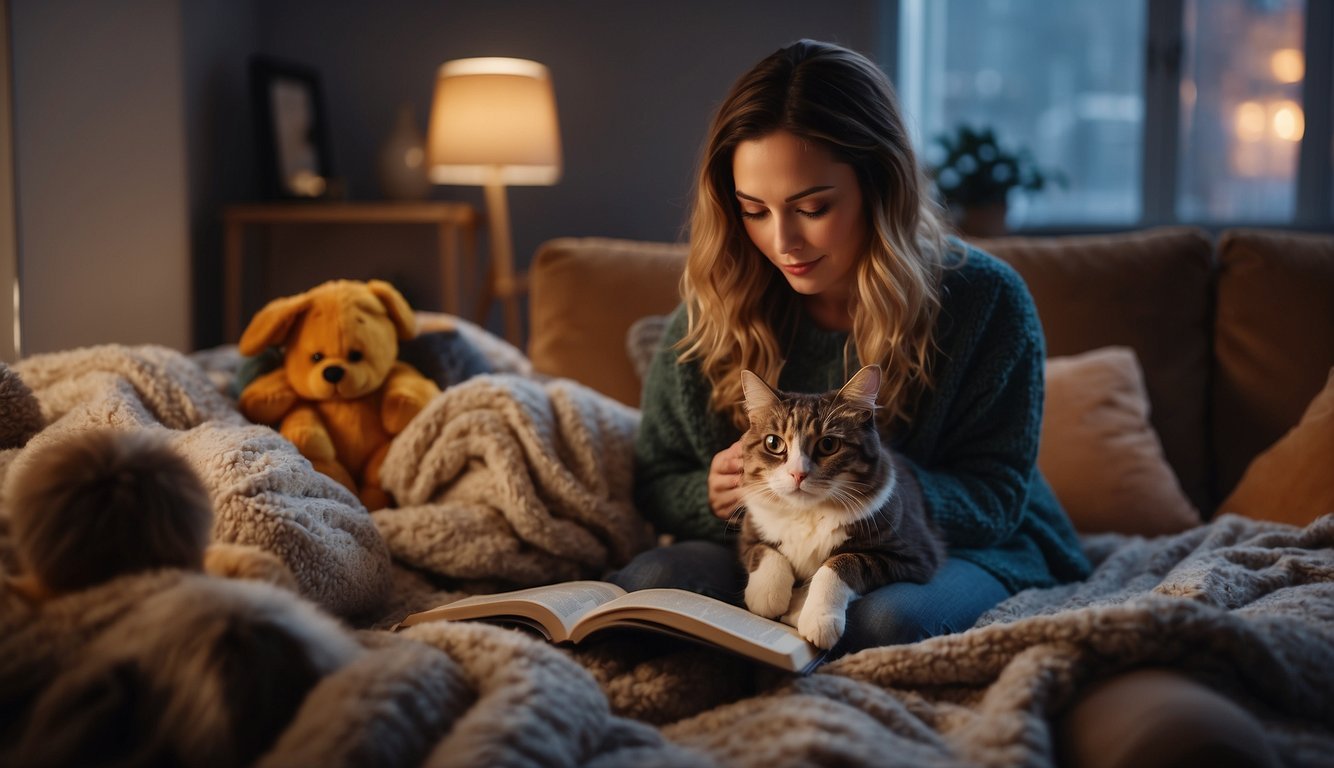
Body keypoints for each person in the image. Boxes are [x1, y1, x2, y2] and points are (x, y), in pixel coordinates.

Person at [610, 39, 1091, 658]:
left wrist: (871, 489)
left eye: (812, 207)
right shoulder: (716, 305)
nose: (782, 240)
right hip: (771, 540)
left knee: (880, 626)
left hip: (951, 544)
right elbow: (655, 478)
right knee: (651, 589)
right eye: (754, 210)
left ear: (879, 186)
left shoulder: (985, 302)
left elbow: (996, 499)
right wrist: (716, 495)